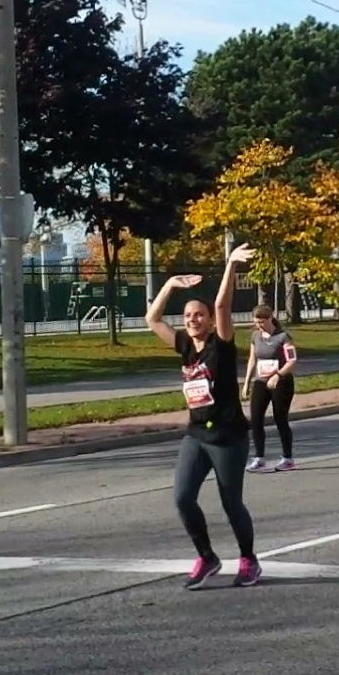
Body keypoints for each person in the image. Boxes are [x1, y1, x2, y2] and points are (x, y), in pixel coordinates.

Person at [144, 245, 261, 590]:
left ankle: (248, 560)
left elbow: (224, 304)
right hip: (196, 435)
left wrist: (231, 266)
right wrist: (170, 285)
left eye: (199, 315)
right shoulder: (184, 345)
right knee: (182, 497)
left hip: (228, 437)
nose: (192, 319)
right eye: (189, 315)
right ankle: (207, 557)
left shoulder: (221, 346)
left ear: (210, 321)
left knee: (230, 503)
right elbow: (152, 320)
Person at [243, 305, 298, 472]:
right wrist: (246, 382)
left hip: (281, 382)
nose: (259, 325)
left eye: (262, 321)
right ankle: (259, 457)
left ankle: (287, 458)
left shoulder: (283, 337)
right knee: (256, 419)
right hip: (261, 381)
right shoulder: (255, 336)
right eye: (256, 322)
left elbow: (292, 361)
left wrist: (278, 375)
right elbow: (252, 359)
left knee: (280, 418)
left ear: (270, 318)